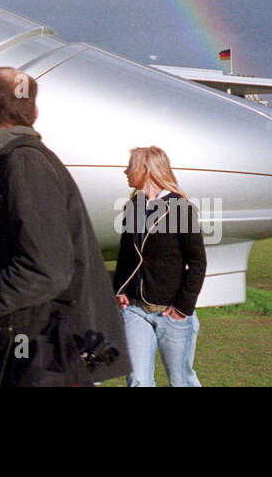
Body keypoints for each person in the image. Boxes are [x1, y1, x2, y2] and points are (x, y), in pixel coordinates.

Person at [0, 66, 129, 386]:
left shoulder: (24, 164)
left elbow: (46, 272)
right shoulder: (19, 163)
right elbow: (33, 261)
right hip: (24, 352)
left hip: (37, 359)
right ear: (34, 113)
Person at [113, 145, 206, 387]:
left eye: (130, 167)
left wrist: (182, 308)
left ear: (145, 169)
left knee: (181, 381)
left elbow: (197, 261)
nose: (125, 171)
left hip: (172, 313)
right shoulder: (133, 206)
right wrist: (121, 289)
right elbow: (126, 254)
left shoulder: (179, 208)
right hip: (135, 311)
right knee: (138, 380)